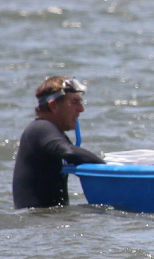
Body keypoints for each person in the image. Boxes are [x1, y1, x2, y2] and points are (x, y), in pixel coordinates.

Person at [12, 76, 106, 209]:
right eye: (74, 102)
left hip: (48, 221)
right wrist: (108, 170)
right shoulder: (40, 129)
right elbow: (68, 151)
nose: (81, 109)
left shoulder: (54, 134)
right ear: (54, 105)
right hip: (38, 223)